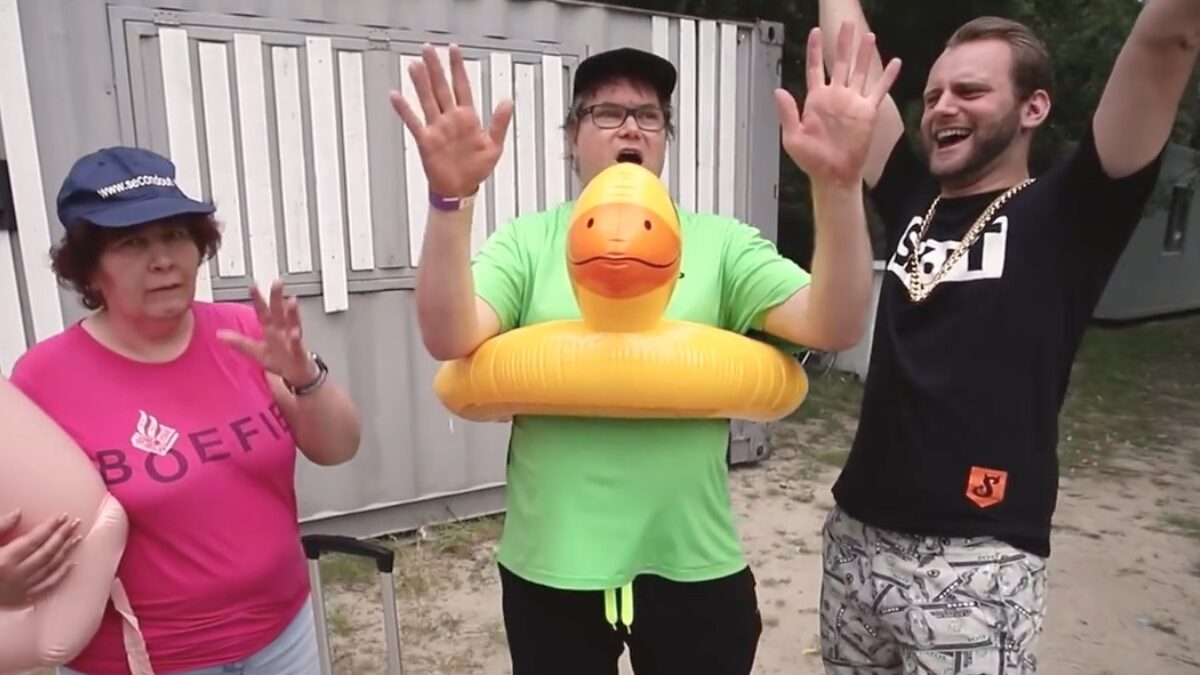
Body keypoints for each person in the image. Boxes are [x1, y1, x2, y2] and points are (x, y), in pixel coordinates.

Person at [391, 23, 900, 675]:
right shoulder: (527, 242)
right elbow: (448, 335)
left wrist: (838, 187)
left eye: (649, 115)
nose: (630, 127)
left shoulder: (721, 243)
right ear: (572, 136)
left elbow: (835, 324)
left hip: (693, 563)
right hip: (551, 567)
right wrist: (449, 201)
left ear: (664, 137)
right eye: (606, 111)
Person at [813, 2, 1200, 673]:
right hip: (856, 538)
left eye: (970, 91)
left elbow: (1165, 42)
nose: (942, 107)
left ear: (1033, 107)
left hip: (977, 560)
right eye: (934, 94)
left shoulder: (1072, 211)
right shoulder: (913, 199)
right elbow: (852, 65)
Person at [1, 145, 362, 675]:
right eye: (131, 242)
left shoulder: (244, 333)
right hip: (145, 658)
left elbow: (338, 448)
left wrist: (305, 375)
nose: (162, 259)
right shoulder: (45, 378)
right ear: (89, 269)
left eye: (174, 235)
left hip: (283, 633)